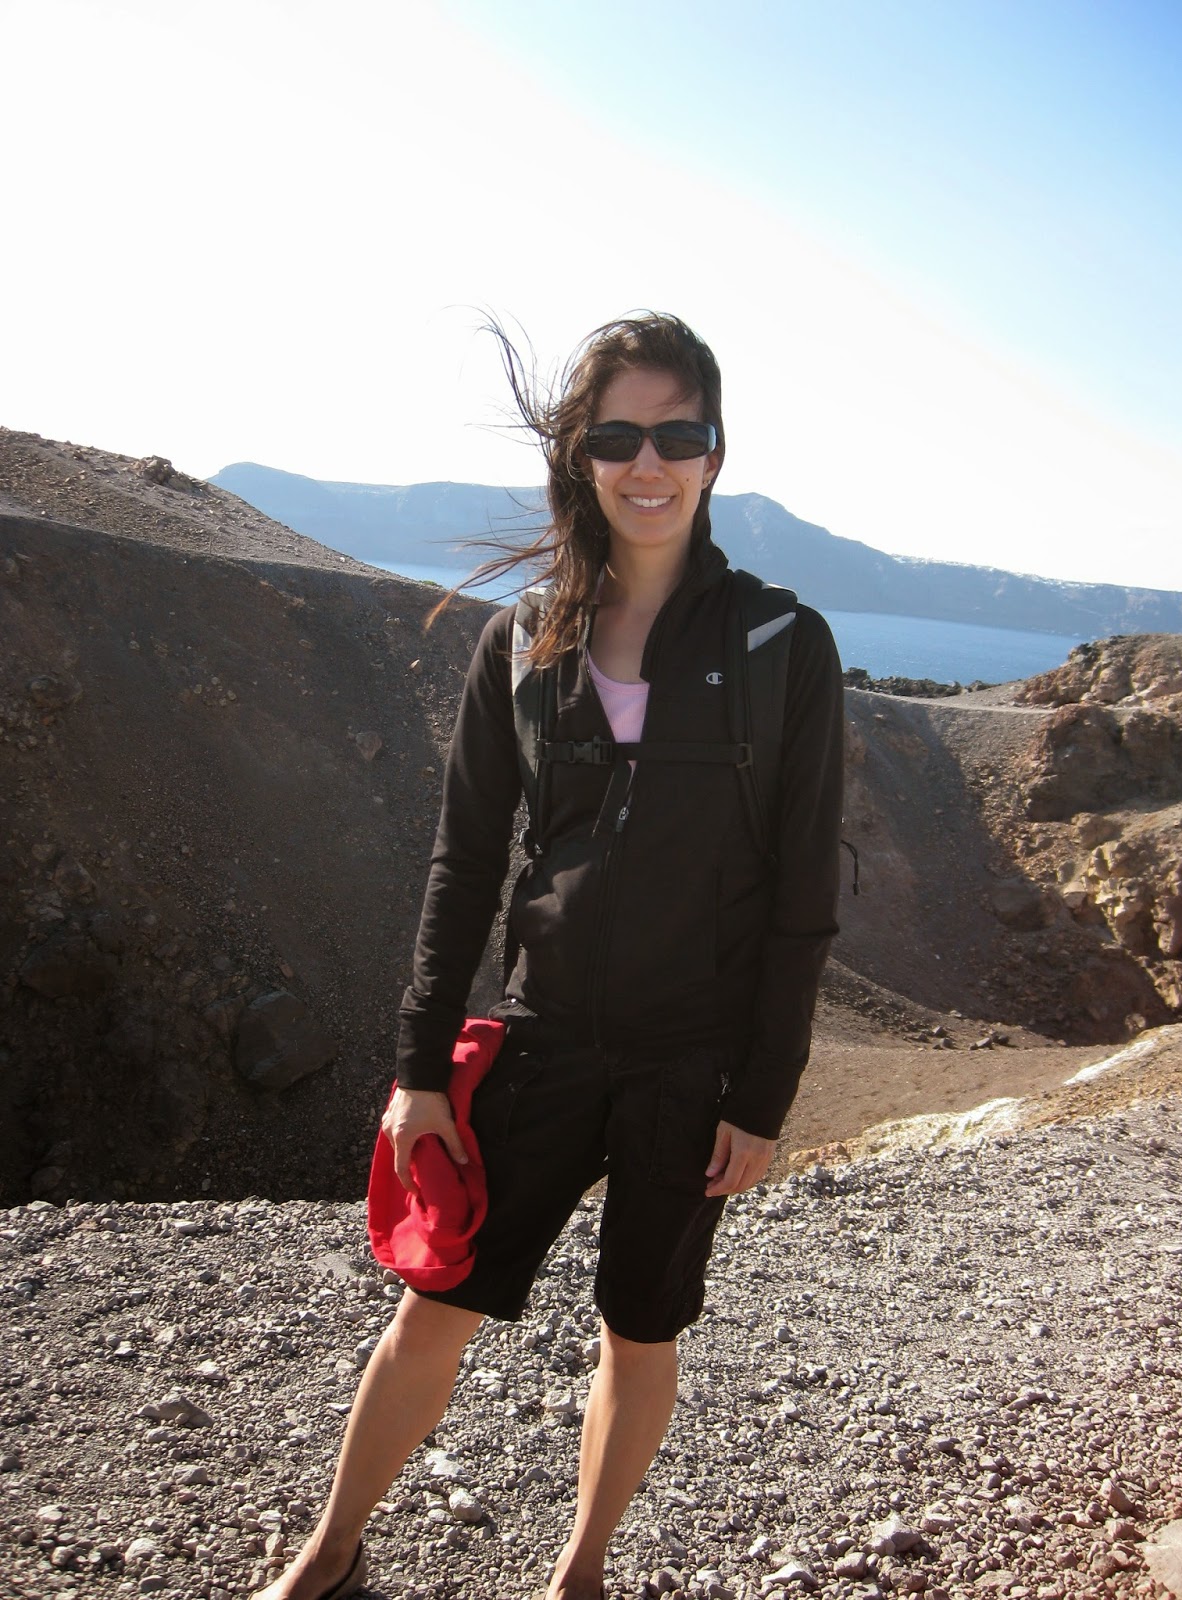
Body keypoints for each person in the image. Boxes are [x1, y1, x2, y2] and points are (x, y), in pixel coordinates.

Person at [252, 313, 844, 1600]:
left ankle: (577, 1578)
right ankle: (329, 1552)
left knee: (639, 1335)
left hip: (693, 1070)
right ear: (580, 455)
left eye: (677, 435)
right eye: (619, 435)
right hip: (544, 1037)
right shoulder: (521, 643)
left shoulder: (784, 645)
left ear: (716, 452)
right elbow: (464, 868)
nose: (651, 463)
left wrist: (763, 1096)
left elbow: (804, 896)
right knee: (432, 1310)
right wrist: (419, 1068)